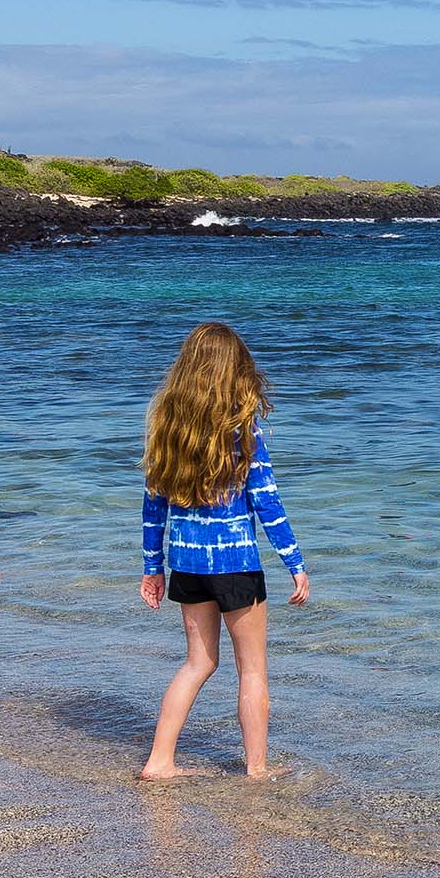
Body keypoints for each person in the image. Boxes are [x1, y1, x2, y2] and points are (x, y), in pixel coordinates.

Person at [139, 323, 310, 780]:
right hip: (236, 563)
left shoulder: (167, 428)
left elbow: (153, 508)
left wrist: (152, 568)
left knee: (198, 662)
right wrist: (294, 562)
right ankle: (257, 769)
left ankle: (159, 761)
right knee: (252, 671)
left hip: (187, 564)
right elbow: (267, 501)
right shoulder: (241, 429)